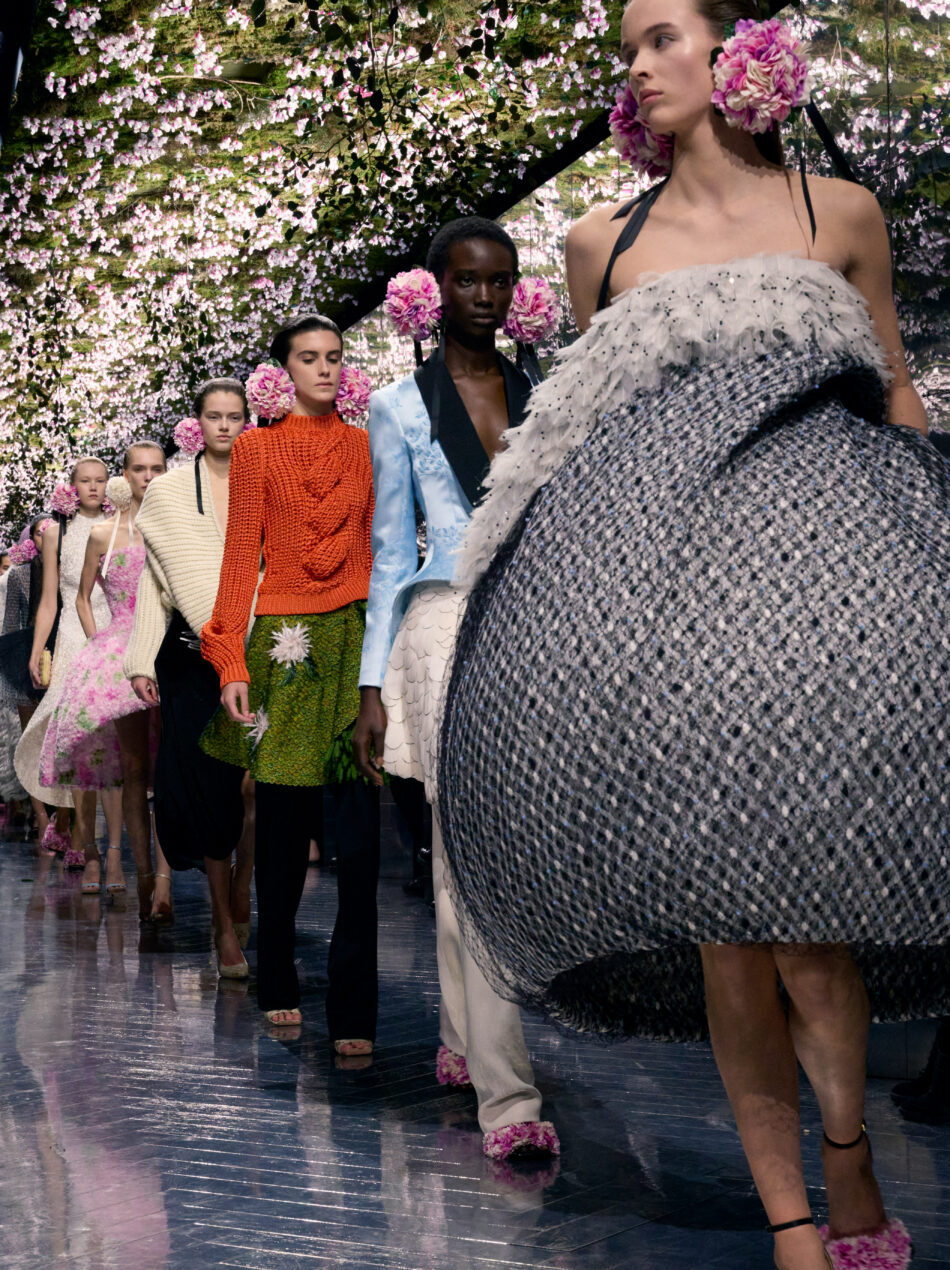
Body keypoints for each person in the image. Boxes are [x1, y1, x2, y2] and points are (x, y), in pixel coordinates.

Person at [438, 2, 943, 1267]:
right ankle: (788, 1220)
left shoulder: (839, 211)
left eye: (660, 35)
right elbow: (587, 445)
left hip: (820, 612)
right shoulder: (599, 242)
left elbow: (892, 390)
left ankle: (846, 1151)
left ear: (738, 51)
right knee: (726, 931)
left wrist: (924, 571)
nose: (637, 64)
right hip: (667, 626)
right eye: (627, 47)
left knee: (812, 931)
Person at [353, 219, 558, 1161]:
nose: (486, 296)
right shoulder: (397, 406)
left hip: (533, 628)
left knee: (474, 852)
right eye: (469, 280)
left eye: (502, 280)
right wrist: (373, 683)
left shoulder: (547, 396)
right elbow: (392, 551)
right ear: (435, 289)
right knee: (464, 848)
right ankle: (508, 1100)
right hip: (442, 630)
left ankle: (459, 1034)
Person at [201, 315, 380, 1041]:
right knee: (281, 830)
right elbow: (240, 553)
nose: (325, 368)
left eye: (334, 357)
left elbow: (380, 547)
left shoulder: (367, 446)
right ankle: (277, 973)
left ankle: (355, 1007)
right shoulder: (256, 448)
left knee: (359, 836)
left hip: (358, 641)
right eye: (309, 358)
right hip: (287, 645)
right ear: (285, 369)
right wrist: (230, 657)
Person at [125, 380, 254, 975]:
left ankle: (242, 884)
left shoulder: (265, 481)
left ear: (248, 421)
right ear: (196, 423)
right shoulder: (171, 492)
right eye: (214, 416)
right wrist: (139, 658)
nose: (224, 426)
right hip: (189, 654)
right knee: (212, 787)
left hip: (263, 645)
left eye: (235, 416)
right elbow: (156, 581)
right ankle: (223, 924)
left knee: (256, 787)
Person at [39, 443, 171, 919]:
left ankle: (163, 881)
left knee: (168, 770)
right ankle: (137, 872)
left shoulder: (174, 527)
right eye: (139, 469)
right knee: (133, 769)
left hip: (169, 651)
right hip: (119, 652)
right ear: (126, 475)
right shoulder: (102, 533)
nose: (148, 477)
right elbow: (79, 596)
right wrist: (101, 642)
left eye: (157, 469)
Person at [14, 458, 121, 867]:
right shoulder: (56, 533)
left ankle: (87, 836)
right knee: (74, 736)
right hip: (72, 638)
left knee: (107, 736)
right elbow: (49, 600)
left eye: (100, 480)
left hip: (111, 631)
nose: (93, 487)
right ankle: (80, 834)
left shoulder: (119, 526)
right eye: (85, 481)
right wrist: (37, 650)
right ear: (72, 487)